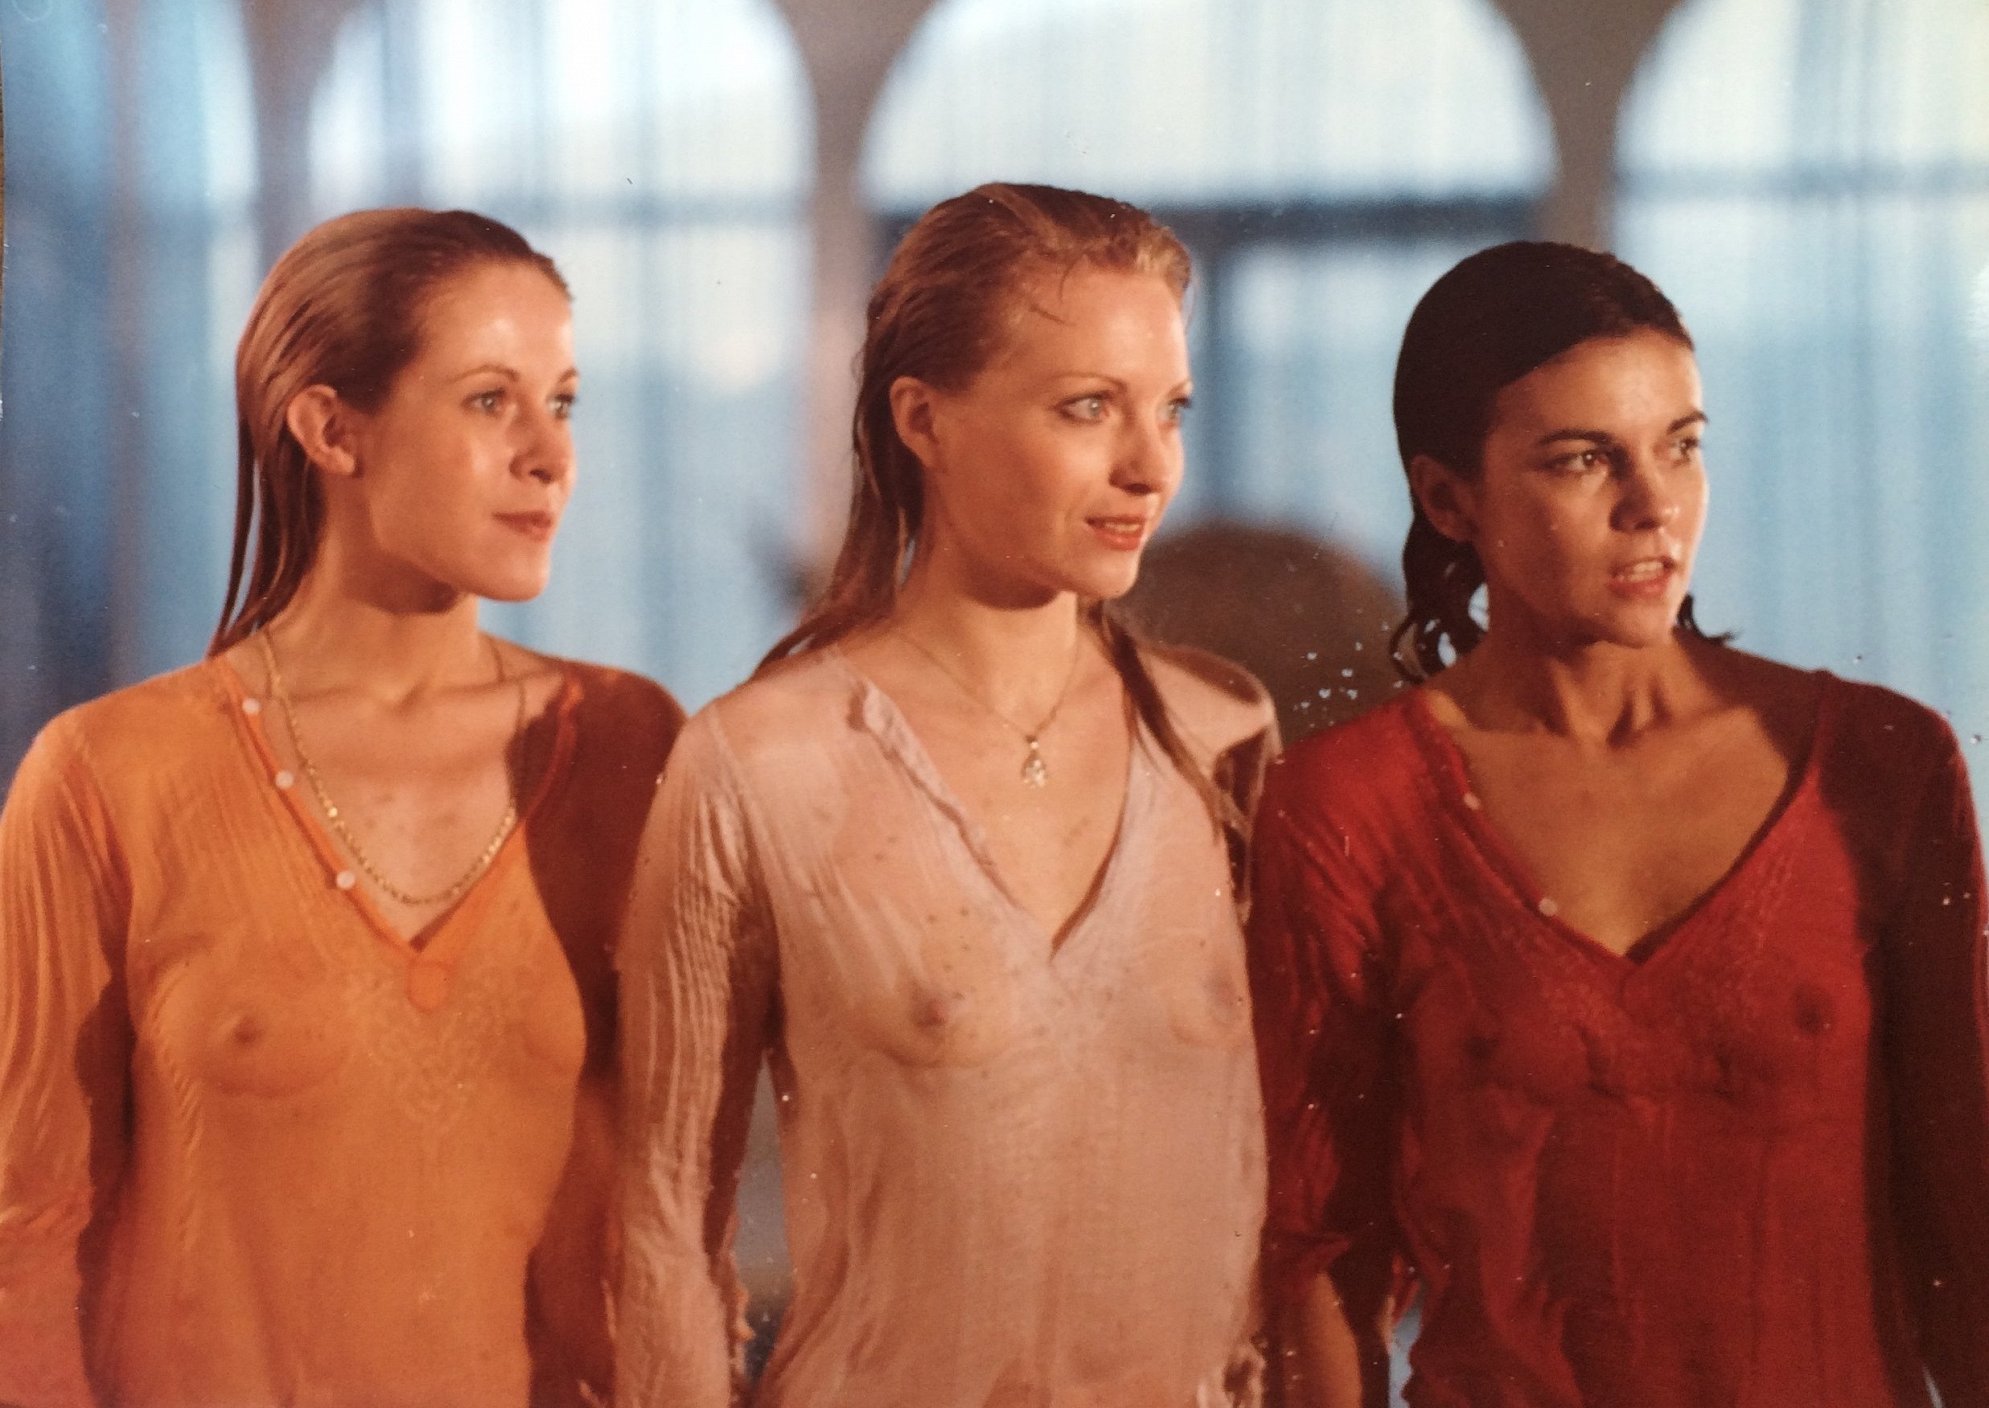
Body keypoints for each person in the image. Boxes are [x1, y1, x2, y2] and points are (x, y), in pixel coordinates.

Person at [1247, 239, 1989, 1408]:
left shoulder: (1883, 766)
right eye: (1584, 460)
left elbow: (1966, 1216)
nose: (1654, 507)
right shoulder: (1350, 804)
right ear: (1448, 498)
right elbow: (1321, 1254)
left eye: (1682, 446)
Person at [0, 207, 682, 1408]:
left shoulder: (629, 742)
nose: (550, 455)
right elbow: (25, 1239)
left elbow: (673, 1210)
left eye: (563, 403)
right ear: (331, 427)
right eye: (490, 400)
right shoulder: (110, 773)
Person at [615, 182, 1277, 1408]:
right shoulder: (758, 764)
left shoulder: (1223, 737)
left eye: (1171, 410)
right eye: (1089, 408)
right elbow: (663, 1222)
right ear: (923, 418)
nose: (1150, 466)